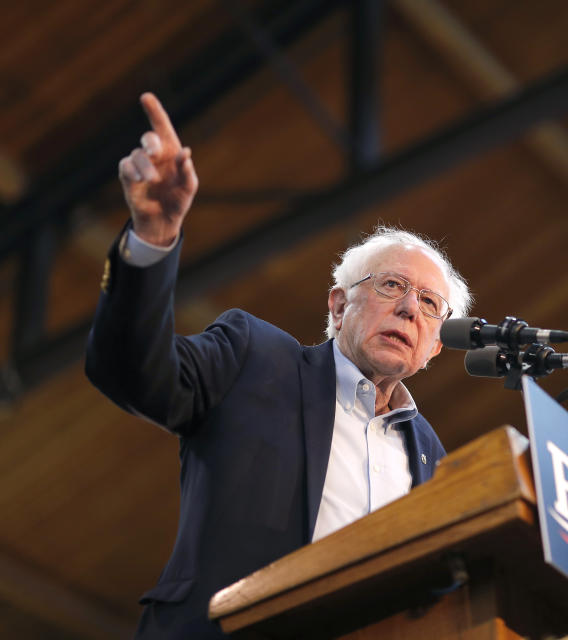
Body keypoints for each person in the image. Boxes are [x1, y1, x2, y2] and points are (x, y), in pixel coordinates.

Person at [85, 93, 471, 639]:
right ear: (338, 307)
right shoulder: (255, 358)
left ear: (433, 347)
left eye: (429, 304)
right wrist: (153, 237)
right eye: (392, 286)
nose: (410, 307)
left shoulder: (435, 460)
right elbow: (131, 371)